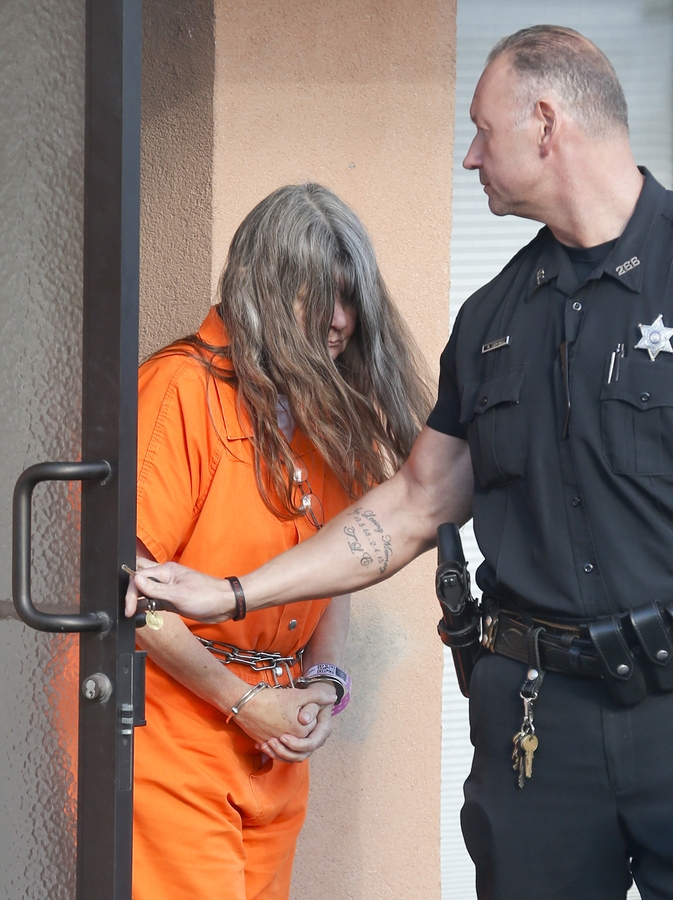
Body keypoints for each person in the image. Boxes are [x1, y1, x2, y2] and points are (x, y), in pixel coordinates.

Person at [127, 27, 673, 900]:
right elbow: (412, 504)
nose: (469, 156)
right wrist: (233, 594)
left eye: (484, 131)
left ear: (547, 123)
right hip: (537, 729)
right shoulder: (492, 321)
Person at [128, 182, 432, 900]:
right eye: (316, 294)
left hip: (271, 735)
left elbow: (329, 576)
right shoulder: (178, 390)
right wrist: (243, 701)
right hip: (169, 731)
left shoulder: (323, 405)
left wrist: (325, 682)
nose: (339, 321)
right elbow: (134, 600)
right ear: (262, 285)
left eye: (351, 298)